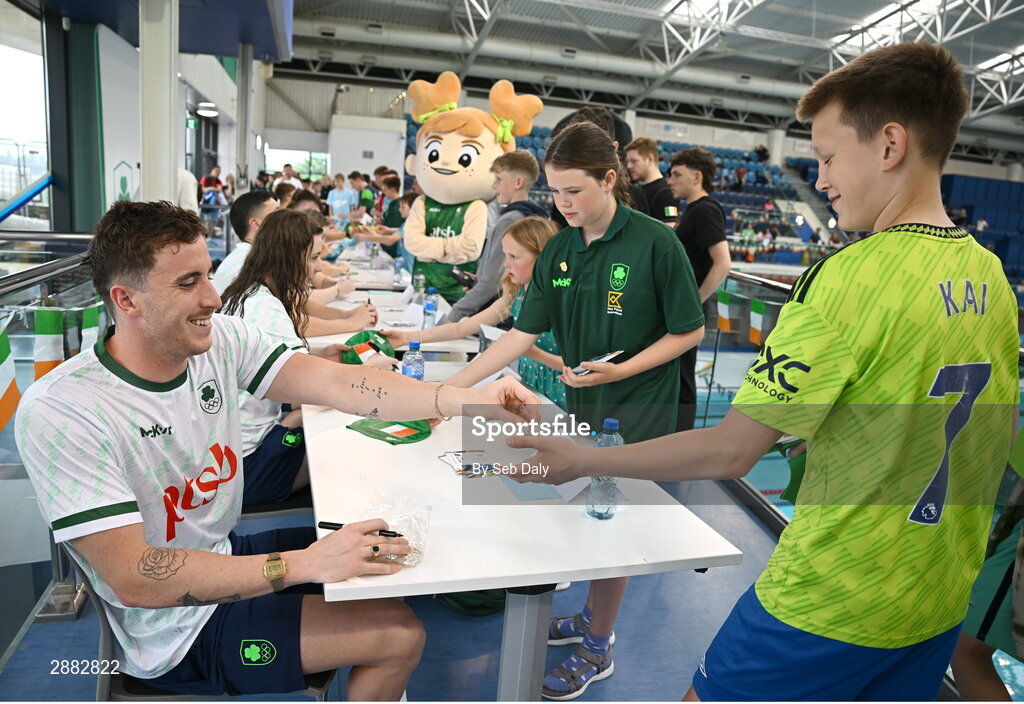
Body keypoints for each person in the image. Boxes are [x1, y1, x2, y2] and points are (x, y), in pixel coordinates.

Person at [506, 41, 1020, 701]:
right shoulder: (990, 276)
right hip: (937, 597)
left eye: (830, 157)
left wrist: (581, 459)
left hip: (833, 594)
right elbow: (986, 436)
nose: (823, 177)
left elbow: (732, 451)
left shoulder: (849, 276)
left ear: (890, 145)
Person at [17, 199, 539, 699]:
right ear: (125, 300)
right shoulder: (64, 410)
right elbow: (134, 577)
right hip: (171, 631)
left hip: (219, 555)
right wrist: (300, 565)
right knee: (400, 635)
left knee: (392, 548)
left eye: (207, 273)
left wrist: (463, 399)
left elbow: (337, 384)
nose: (213, 297)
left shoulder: (219, 339)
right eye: (187, 282)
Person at [447, 121, 705, 700]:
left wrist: (622, 369)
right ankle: (592, 619)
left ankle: (599, 645)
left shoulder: (655, 243)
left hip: (637, 408)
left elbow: (689, 331)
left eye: (575, 192)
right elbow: (518, 334)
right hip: (584, 401)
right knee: (585, 512)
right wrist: (450, 393)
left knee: (612, 522)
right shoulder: (561, 247)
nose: (562, 205)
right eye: (557, 192)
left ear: (610, 180)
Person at [220, 209, 394, 506]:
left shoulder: (247, 294)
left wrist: (317, 355)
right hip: (250, 466)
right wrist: (369, 370)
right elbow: (319, 394)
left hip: (229, 455)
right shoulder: (268, 310)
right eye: (313, 258)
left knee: (307, 416)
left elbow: (267, 357)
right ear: (290, 257)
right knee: (341, 433)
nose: (317, 269)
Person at [387, 216, 566, 408]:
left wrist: (529, 350)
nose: (506, 264)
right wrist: (407, 337)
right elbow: (460, 329)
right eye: (506, 255)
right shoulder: (516, 294)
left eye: (514, 257)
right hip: (532, 389)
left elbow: (581, 368)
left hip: (560, 396)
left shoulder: (561, 300)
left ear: (542, 257)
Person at [666, 146, 730, 431]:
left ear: (697, 177)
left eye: (677, 174)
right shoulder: (693, 210)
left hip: (687, 312)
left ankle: (678, 443)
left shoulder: (705, 211)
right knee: (677, 376)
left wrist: (695, 302)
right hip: (681, 309)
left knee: (682, 379)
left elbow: (723, 263)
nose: (670, 180)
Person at [447, 150, 547, 323]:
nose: (494, 186)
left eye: (499, 179)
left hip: (499, 318)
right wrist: (480, 278)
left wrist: (456, 314)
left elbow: (492, 283)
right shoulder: (537, 218)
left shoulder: (510, 220)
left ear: (518, 183)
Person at [546, 107, 649, 227]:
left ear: (613, 148)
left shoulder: (636, 198)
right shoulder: (564, 200)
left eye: (574, 191)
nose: (564, 202)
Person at [214, 190, 280, 294]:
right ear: (255, 223)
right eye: (277, 213)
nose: (284, 218)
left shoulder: (253, 257)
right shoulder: (250, 265)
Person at [624, 137, 679, 227]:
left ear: (650, 159)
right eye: (628, 162)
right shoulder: (637, 187)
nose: (629, 166)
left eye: (634, 161)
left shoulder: (665, 193)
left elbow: (668, 231)